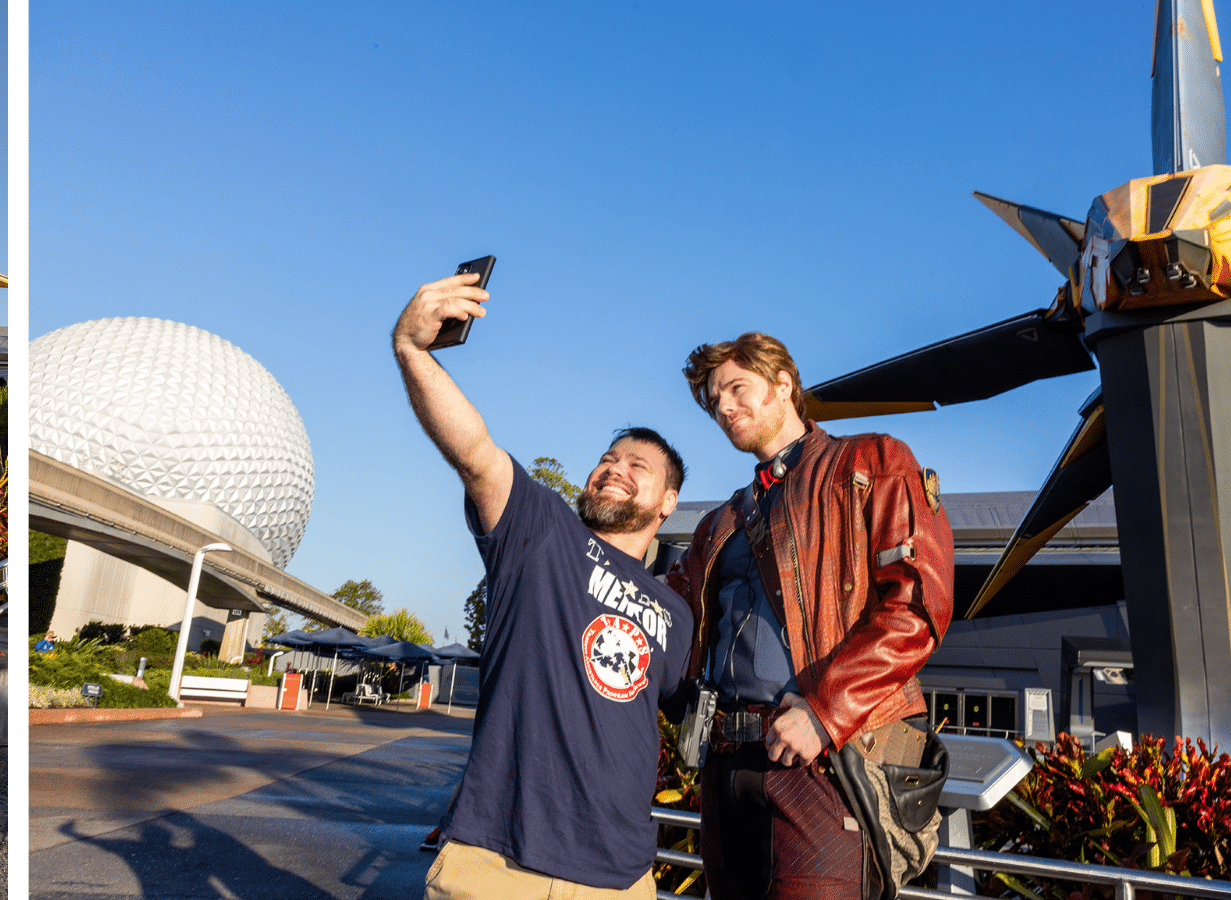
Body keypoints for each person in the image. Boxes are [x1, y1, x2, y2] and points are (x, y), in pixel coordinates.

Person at [393, 272, 693, 897]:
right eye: (609, 459)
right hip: (499, 862)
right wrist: (412, 351)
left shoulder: (675, 609)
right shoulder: (542, 533)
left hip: (619, 877)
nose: (615, 469)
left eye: (638, 466)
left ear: (667, 502)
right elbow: (475, 451)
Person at [670, 332, 953, 900]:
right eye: (711, 399)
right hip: (726, 766)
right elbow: (666, 616)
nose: (722, 407)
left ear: (783, 385)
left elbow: (918, 606)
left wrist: (824, 713)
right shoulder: (720, 521)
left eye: (735, 388)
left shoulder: (872, 462)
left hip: (826, 762)